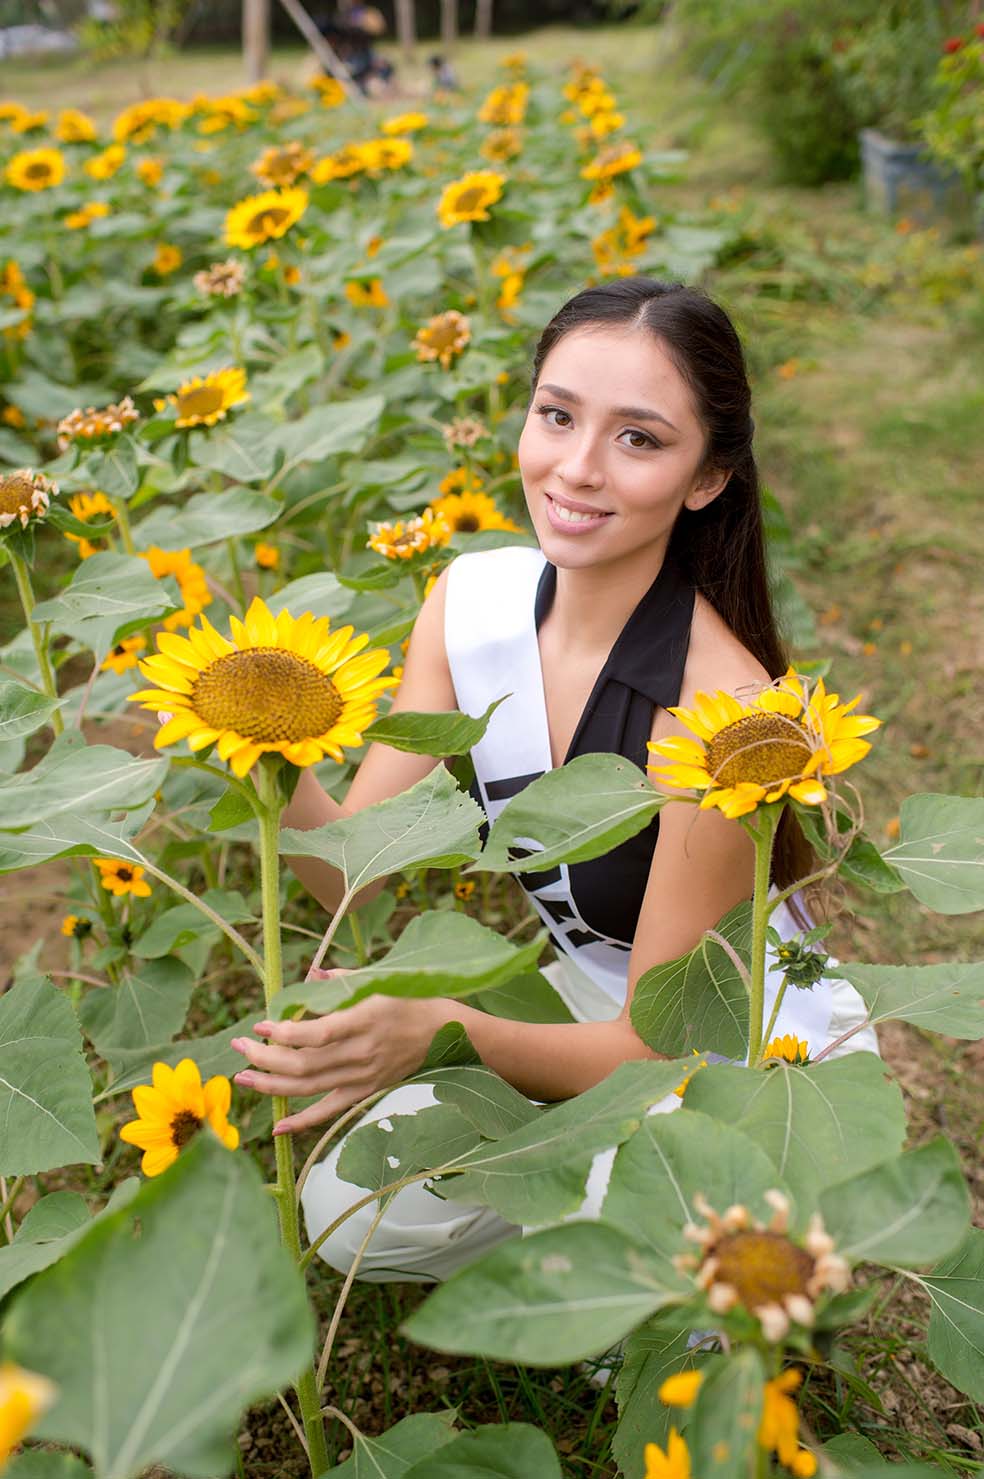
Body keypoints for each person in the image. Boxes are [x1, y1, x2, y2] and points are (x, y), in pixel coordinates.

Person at [229, 277, 877, 1281]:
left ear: (706, 478)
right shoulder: (470, 603)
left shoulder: (727, 721)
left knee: (695, 1251)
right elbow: (347, 871)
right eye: (557, 415)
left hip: (740, 1052)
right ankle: (596, 1240)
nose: (575, 469)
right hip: (580, 993)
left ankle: (664, 1272)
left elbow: (661, 1046)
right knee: (351, 1213)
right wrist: (262, 741)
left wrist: (443, 1032)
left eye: (639, 438)